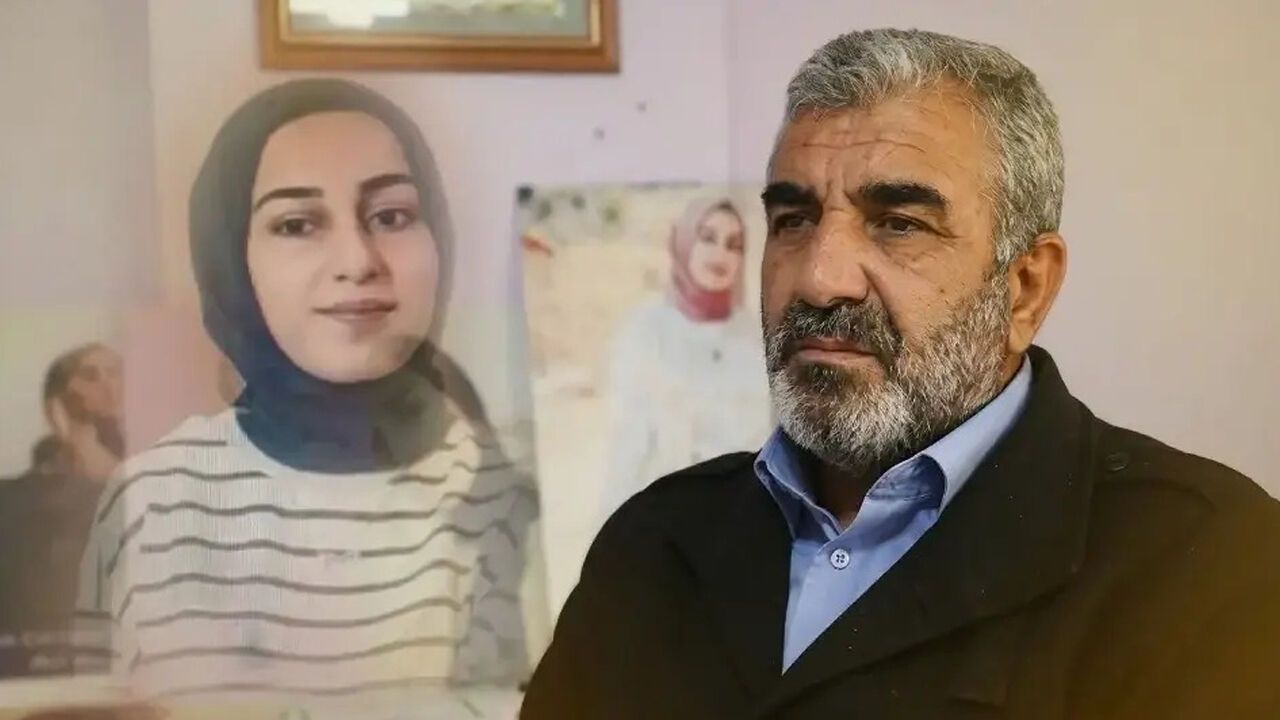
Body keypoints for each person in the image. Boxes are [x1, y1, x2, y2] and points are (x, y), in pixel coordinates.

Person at [522, 28, 1280, 719]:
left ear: (1025, 288)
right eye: (793, 220)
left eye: (899, 224)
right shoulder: (654, 544)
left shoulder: (1207, 564)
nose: (820, 279)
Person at [74, 79, 540, 709]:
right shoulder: (157, 501)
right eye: (297, 224)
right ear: (232, 260)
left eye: (392, 217)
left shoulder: (504, 494)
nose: (358, 260)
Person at [600, 197, 771, 520]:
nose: (720, 254)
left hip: (739, 521)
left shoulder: (756, 339)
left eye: (733, 245)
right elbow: (628, 446)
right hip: (660, 521)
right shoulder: (645, 333)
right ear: (684, 243)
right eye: (708, 238)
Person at [0, 343, 124, 677]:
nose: (108, 383)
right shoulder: (19, 498)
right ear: (57, 400)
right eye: (90, 375)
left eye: (115, 372)